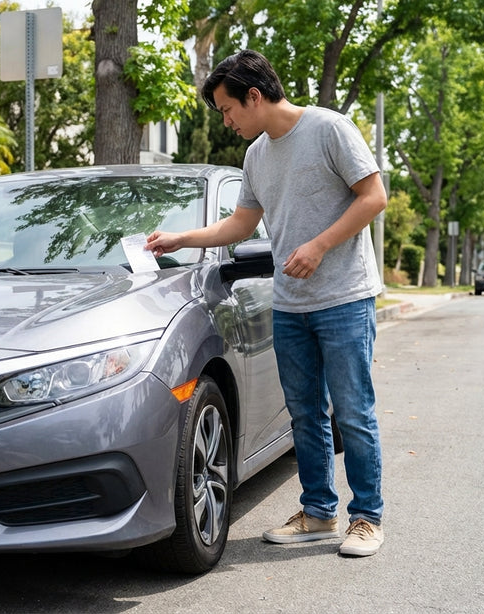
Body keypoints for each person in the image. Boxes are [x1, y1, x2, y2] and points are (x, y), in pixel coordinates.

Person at [145, 49, 388, 557]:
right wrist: (180, 239)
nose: (226, 121)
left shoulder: (329, 129)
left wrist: (319, 245)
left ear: (253, 96)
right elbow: (240, 226)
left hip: (344, 297)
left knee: (352, 410)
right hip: (290, 304)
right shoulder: (256, 156)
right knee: (304, 414)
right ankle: (319, 513)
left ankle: (366, 518)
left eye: (227, 110)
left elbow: (373, 197)